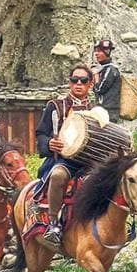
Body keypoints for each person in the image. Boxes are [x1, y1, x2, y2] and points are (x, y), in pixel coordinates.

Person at [37, 65, 95, 246]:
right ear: (69, 83)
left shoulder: (97, 110)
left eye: (83, 80)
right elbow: (41, 134)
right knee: (57, 175)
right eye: (74, 80)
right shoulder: (55, 106)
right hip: (65, 160)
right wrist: (49, 143)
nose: (78, 84)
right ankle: (53, 223)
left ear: (90, 84)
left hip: (90, 161)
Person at [91, 39, 121, 123]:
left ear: (107, 52)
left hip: (109, 112)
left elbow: (99, 89)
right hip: (103, 110)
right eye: (95, 51)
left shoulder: (110, 70)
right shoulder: (103, 68)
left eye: (99, 51)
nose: (96, 54)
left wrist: (96, 75)